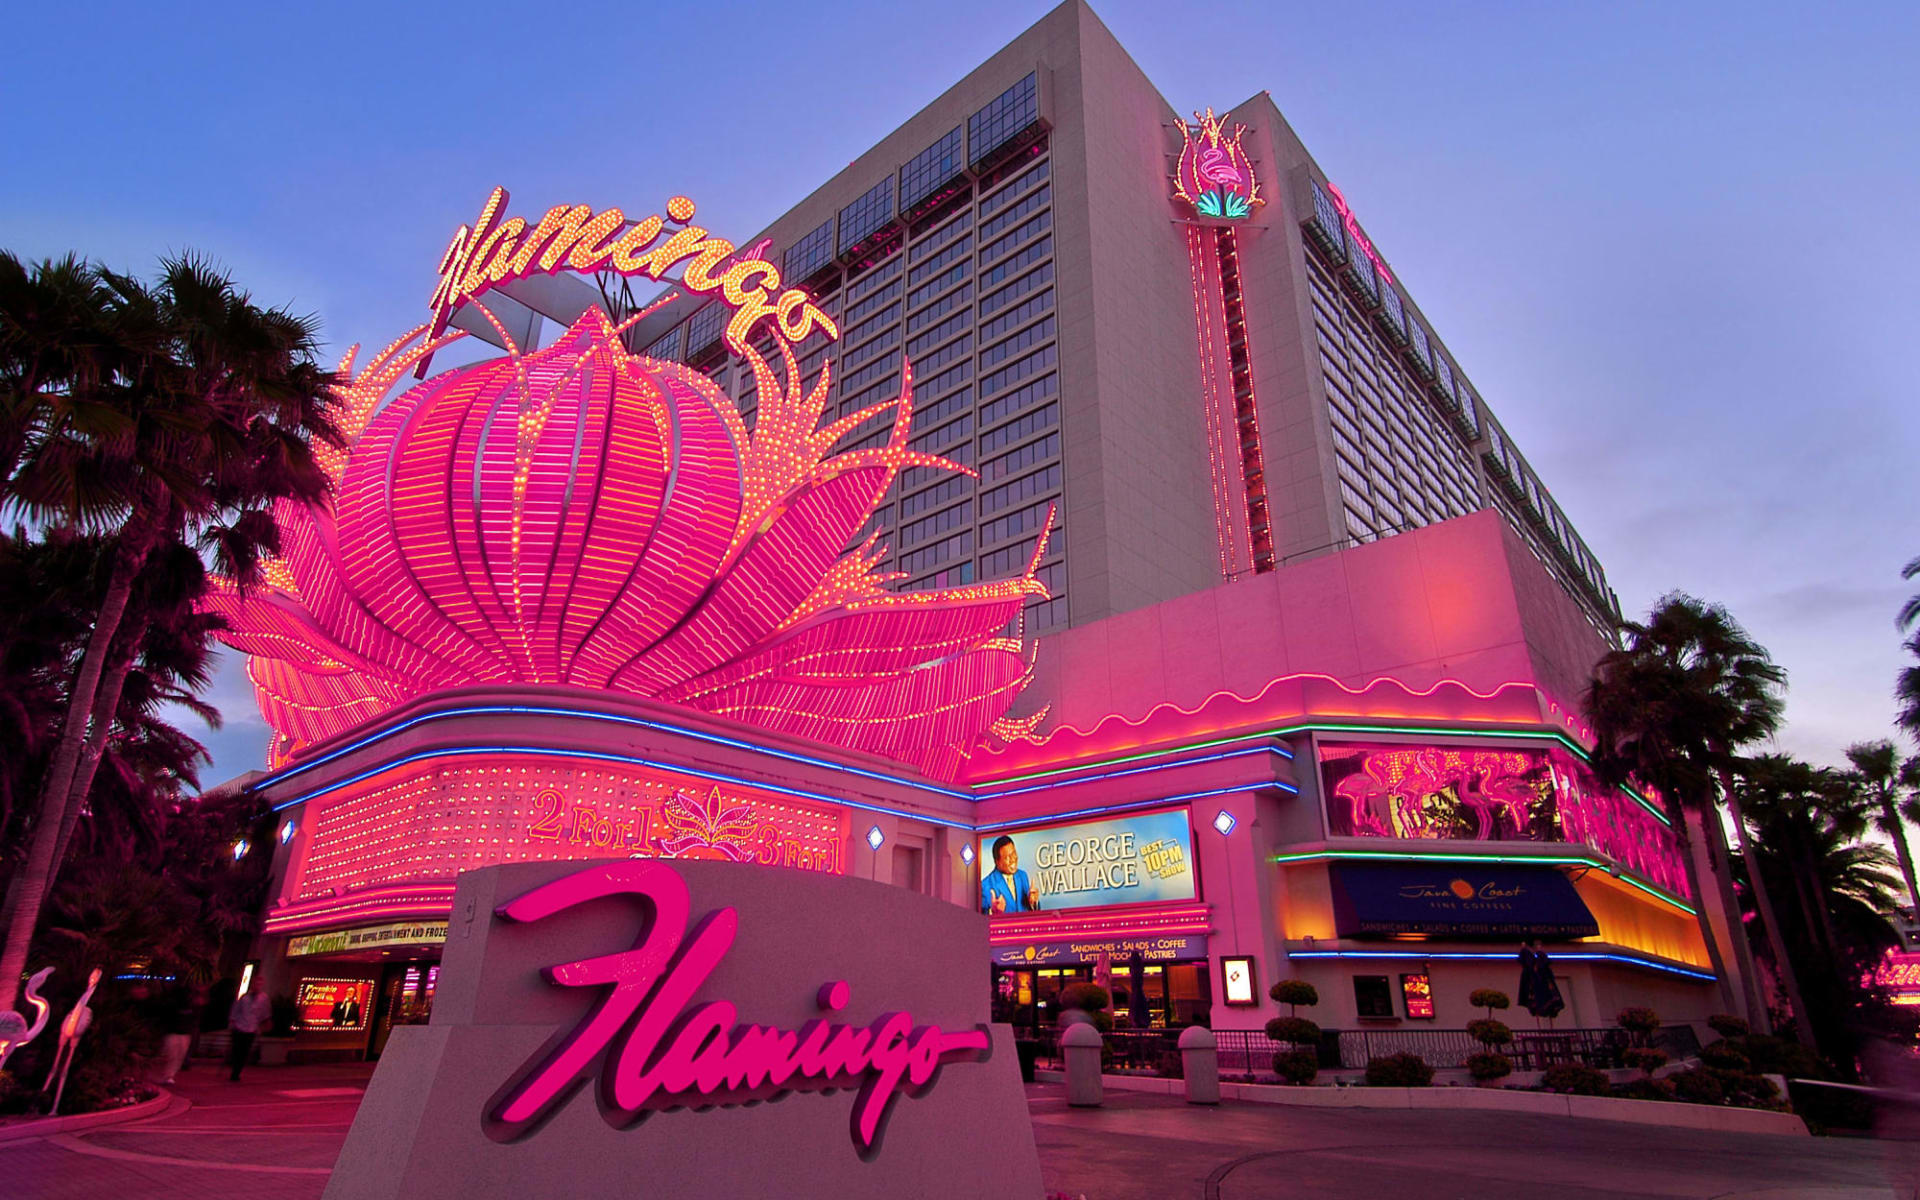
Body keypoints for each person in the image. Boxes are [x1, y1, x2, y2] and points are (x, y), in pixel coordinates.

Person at [980, 835, 1040, 914]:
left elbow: (1031, 911)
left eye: (1013, 853)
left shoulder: (1022, 876)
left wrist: (1033, 903)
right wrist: (993, 912)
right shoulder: (985, 885)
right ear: (997, 862)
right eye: (1007, 857)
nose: (1012, 859)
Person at [152, 985, 197, 1085]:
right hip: (172, 1033)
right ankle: (166, 1075)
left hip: (184, 1034)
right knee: (171, 1055)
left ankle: (170, 1075)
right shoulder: (171, 1005)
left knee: (179, 1056)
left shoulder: (189, 1006)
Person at [228, 982, 272, 1081]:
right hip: (239, 1027)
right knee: (237, 1050)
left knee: (244, 1051)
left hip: (251, 1028)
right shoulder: (244, 997)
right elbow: (235, 1009)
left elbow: (266, 1012)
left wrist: (266, 1022)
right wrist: (232, 1021)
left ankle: (237, 1071)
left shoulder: (263, 998)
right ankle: (235, 1070)